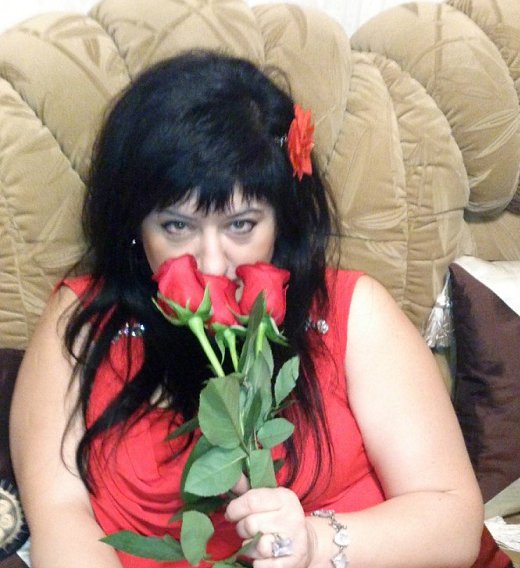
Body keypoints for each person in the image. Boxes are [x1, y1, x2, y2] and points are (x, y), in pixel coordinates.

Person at [10, 50, 483, 568]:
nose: (214, 263)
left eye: (241, 225)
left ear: (282, 220)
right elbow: (61, 516)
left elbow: (454, 523)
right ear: (134, 225)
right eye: (177, 227)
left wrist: (314, 544)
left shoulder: (354, 312)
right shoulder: (80, 323)